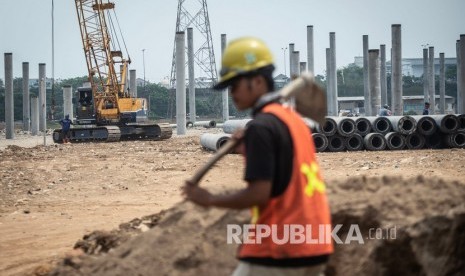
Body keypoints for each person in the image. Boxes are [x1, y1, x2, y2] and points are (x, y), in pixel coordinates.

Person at [182, 37, 333, 276]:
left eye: (235, 85)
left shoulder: (262, 128)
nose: (232, 93)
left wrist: (209, 199)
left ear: (258, 81)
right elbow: (286, 170)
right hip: (316, 245)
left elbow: (258, 194)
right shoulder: (293, 122)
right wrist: (247, 147)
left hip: (279, 249)